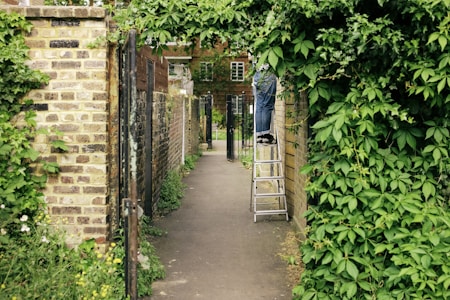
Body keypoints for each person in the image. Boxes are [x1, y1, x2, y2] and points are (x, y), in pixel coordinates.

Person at [253, 63, 277, 144]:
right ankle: (266, 135)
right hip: (267, 74)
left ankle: (259, 135)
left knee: (259, 106)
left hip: (257, 74)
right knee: (267, 105)